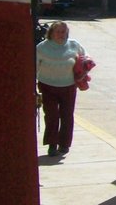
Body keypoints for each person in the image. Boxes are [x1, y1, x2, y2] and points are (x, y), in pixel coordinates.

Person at [36, 21, 86, 157]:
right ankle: (52, 144)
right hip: (48, 86)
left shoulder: (74, 45)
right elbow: (34, 67)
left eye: (63, 32)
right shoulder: (42, 47)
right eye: (57, 32)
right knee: (52, 116)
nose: (61, 35)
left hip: (68, 86)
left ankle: (64, 144)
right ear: (51, 33)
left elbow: (83, 59)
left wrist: (84, 70)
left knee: (67, 116)